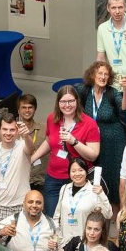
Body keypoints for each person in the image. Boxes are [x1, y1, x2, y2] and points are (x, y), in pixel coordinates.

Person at [44, 88, 101, 222]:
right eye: (63, 101)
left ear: (77, 101)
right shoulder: (52, 118)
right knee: (53, 219)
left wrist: (73, 141)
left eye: (71, 101)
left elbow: (93, 155)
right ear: (58, 103)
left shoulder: (89, 123)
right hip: (53, 178)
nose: (67, 105)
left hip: (76, 179)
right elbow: (48, 141)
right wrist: (32, 158)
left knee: (74, 219)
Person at [84, 59, 126, 195]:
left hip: (113, 143)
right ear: (92, 75)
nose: (103, 77)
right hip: (91, 142)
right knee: (94, 175)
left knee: (113, 177)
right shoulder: (84, 91)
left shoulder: (112, 93)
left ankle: (115, 206)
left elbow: (124, 108)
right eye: (100, 73)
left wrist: (125, 90)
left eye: (106, 74)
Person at [0, 110, 36, 224]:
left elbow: (31, 148)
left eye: (12, 129)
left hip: (22, 204)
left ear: (17, 130)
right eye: (5, 129)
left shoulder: (22, 145)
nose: (8, 133)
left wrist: (26, 136)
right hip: (1, 205)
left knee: (22, 235)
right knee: (1, 235)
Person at [53, 154, 112, 251]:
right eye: (73, 171)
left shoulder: (94, 191)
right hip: (64, 242)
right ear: (69, 173)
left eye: (80, 170)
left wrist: (101, 194)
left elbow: (108, 214)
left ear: (86, 171)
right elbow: (57, 216)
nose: (77, 174)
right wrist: (58, 236)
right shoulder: (64, 189)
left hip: (84, 243)